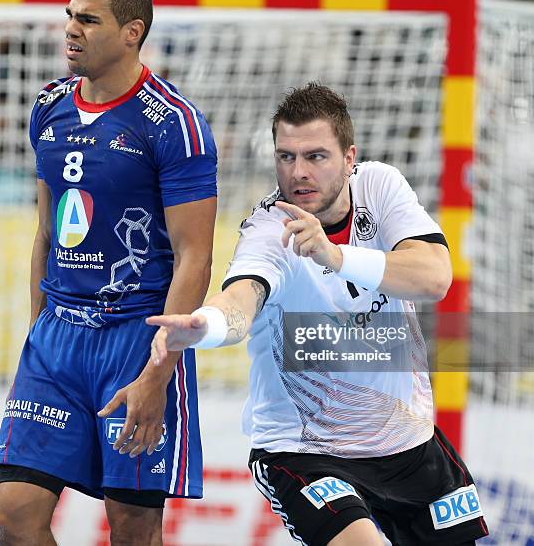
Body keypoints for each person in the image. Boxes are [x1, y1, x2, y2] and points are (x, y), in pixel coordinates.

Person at [147, 84, 489, 545]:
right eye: (285, 157)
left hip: (408, 445)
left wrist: (337, 256)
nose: (298, 173)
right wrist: (204, 326)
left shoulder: (380, 185)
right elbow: (241, 300)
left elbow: (434, 277)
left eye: (315, 156)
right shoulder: (271, 229)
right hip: (307, 451)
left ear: (350, 158)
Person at [0, 0, 217, 545]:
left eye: (88, 20)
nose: (71, 29)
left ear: (132, 31)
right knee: (11, 519)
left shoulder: (174, 124)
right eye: (69, 15)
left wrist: (158, 372)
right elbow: (45, 234)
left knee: (133, 530)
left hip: (135, 340)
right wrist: (39, 331)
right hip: (57, 340)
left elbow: (196, 258)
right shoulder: (49, 106)